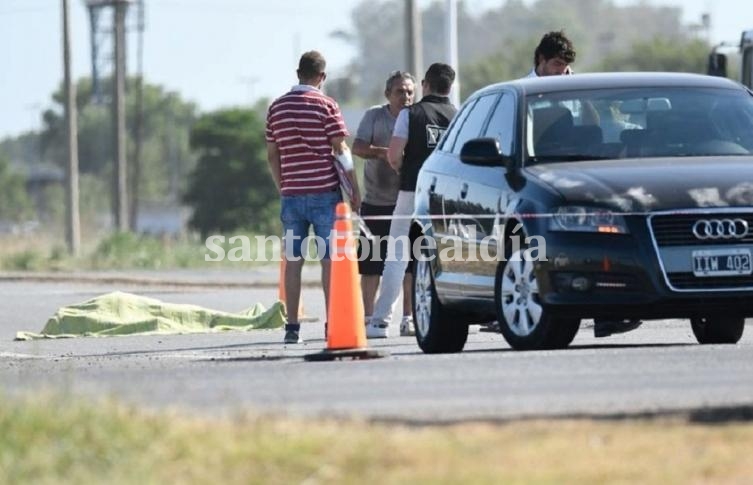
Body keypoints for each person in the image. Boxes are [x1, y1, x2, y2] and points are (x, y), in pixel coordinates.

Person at [527, 32, 642, 338]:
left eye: (565, 65)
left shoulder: (577, 87)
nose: (562, 72)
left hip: (584, 173)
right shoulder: (523, 94)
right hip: (538, 174)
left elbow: (599, 128)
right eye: (556, 64)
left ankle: (607, 315)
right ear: (540, 60)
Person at [265, 50, 361, 344]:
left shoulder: (276, 108)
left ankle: (292, 328)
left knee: (293, 261)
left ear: (298, 73)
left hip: (291, 194)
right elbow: (340, 149)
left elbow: (272, 154)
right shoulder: (327, 105)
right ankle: (332, 324)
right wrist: (354, 189)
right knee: (329, 261)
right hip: (324, 193)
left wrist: (283, 186)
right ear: (322, 76)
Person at [366, 63, 457, 338]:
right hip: (445, 196)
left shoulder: (410, 113)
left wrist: (402, 168)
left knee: (397, 256)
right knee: (445, 254)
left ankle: (381, 322)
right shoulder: (459, 115)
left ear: (425, 85)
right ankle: (446, 316)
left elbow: (394, 155)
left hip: (411, 193)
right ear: (449, 87)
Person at [353, 71, 417, 336]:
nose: (406, 97)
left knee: (409, 265)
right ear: (388, 94)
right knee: (370, 264)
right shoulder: (374, 116)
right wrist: (387, 154)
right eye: (400, 91)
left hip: (406, 202)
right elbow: (357, 147)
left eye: (410, 92)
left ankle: (409, 318)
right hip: (376, 202)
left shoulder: (417, 117)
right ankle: (369, 318)